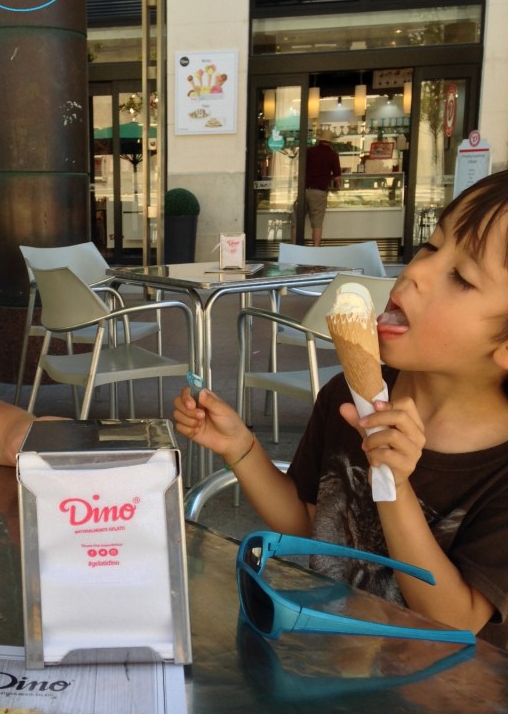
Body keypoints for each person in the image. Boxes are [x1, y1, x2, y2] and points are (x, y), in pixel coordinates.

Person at [174, 170, 508, 648]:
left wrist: (392, 480)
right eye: (431, 247)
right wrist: (240, 447)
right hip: (336, 656)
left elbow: (455, 619)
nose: (414, 272)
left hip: (442, 696)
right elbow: (310, 522)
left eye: (461, 277)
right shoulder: (345, 396)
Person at [303, 128, 342, 246]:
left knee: (296, 221)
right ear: (331, 142)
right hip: (319, 192)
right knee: (317, 224)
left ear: (320, 140)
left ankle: (294, 248)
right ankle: (315, 250)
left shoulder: (309, 151)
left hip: (304, 190)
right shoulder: (333, 155)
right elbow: (337, 178)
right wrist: (337, 188)